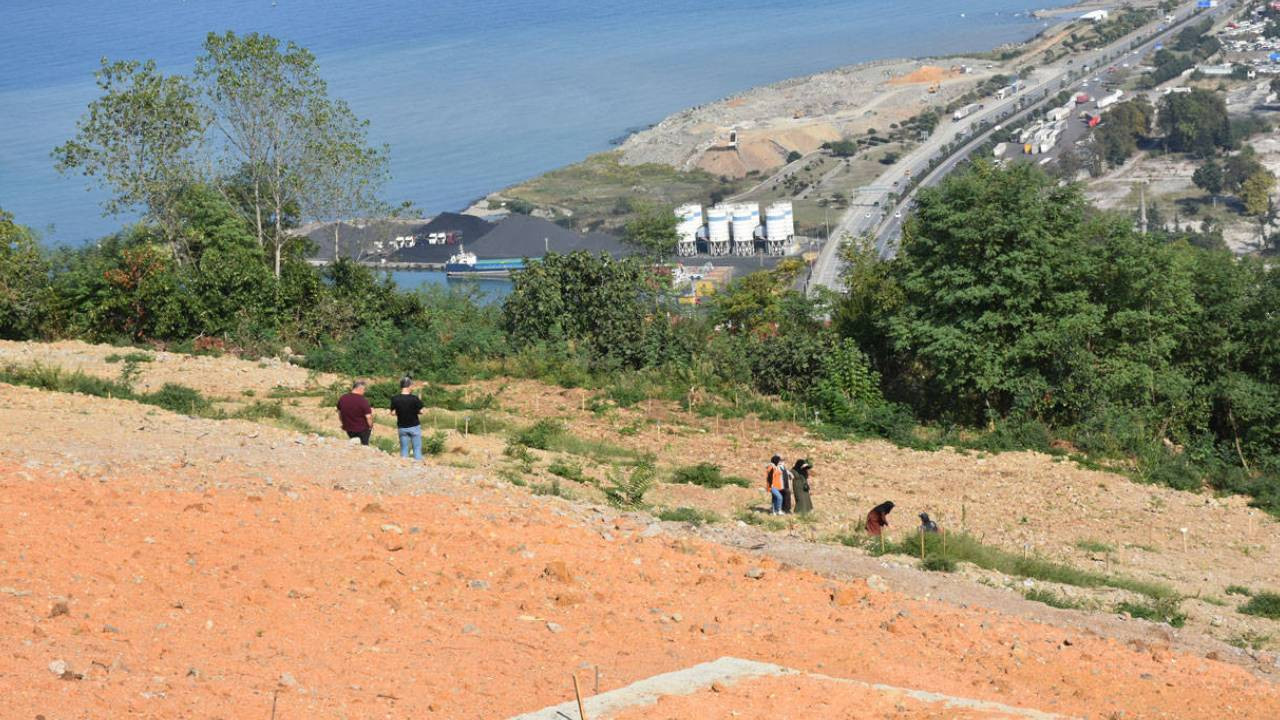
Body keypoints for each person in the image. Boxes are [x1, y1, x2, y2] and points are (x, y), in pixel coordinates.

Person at [389, 376, 425, 461]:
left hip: (402, 427)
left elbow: (392, 413)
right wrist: (415, 411)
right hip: (414, 426)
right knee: (416, 449)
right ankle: (418, 467)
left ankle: (404, 467)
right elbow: (422, 411)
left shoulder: (395, 398)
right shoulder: (415, 399)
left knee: (404, 449)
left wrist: (401, 412)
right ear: (409, 386)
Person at [337, 380, 374, 445]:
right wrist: (371, 426)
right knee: (364, 446)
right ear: (360, 389)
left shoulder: (343, 398)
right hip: (362, 429)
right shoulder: (363, 400)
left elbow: (340, 413)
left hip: (349, 428)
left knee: (353, 445)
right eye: (364, 390)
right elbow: (368, 417)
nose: (364, 392)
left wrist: (343, 423)